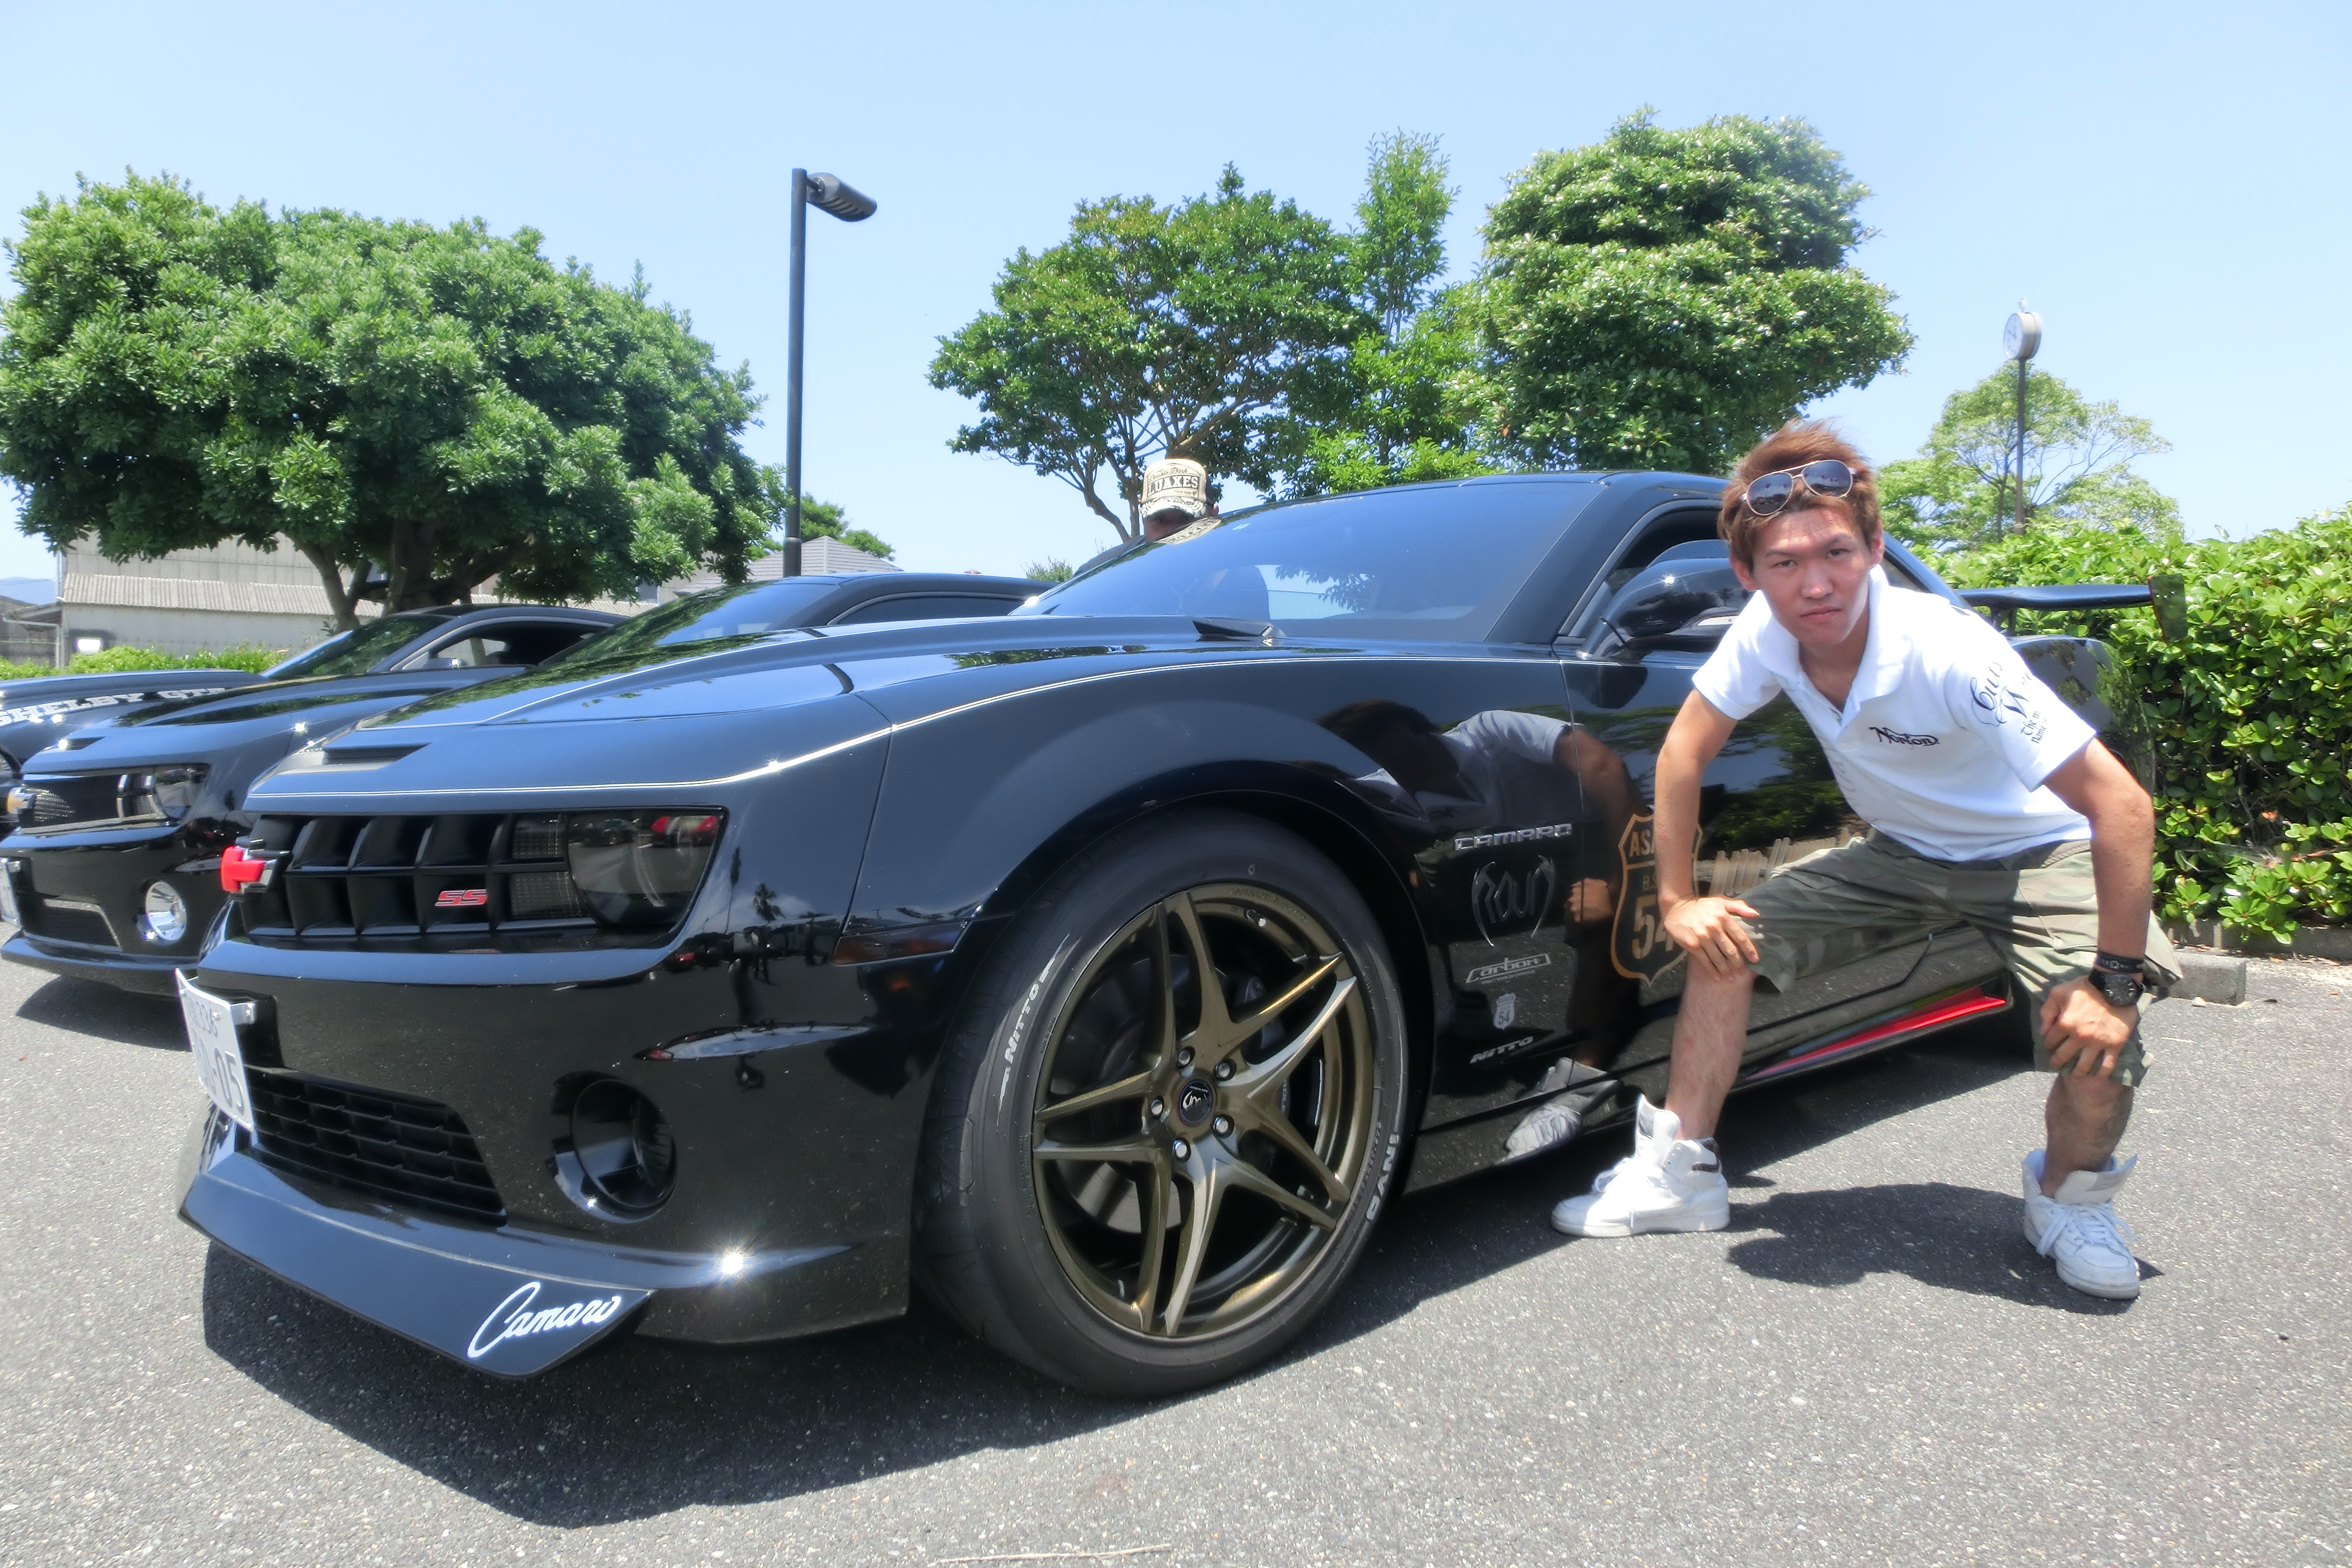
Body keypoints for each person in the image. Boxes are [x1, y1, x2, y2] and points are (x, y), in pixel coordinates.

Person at [1550, 422, 2179, 1301]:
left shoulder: (1950, 650)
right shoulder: (1765, 632)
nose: (1815, 584)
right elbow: (1685, 751)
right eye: (1784, 563)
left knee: (2096, 1039)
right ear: (1747, 574)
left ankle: (2069, 1199)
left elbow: (2120, 806)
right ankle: (1681, 1171)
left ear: (1874, 550)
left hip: (2038, 854)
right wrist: (1681, 900)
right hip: (1902, 853)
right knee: (1726, 941)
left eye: (1836, 553)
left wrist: (2112, 984)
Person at [1073, 457, 1218, 577]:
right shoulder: (1098, 577)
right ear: (1143, 516)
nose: (1173, 532)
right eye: (1160, 520)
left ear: (1213, 515)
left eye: (1186, 518)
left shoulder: (1230, 570)